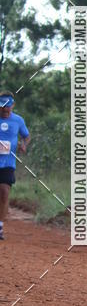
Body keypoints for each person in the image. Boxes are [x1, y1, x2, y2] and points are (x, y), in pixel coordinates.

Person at [0, 92, 31, 240]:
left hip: (8, 163)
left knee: (4, 192)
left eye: (8, 108)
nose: (6, 111)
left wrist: (24, 145)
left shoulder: (18, 120)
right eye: (3, 108)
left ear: (13, 105)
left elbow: (26, 136)